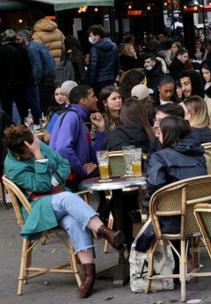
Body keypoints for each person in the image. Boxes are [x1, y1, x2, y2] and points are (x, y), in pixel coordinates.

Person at [3, 125, 124, 298]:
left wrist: (51, 179)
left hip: (61, 199)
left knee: (73, 218)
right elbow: (42, 186)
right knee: (67, 198)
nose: (33, 152)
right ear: (18, 154)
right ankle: (105, 231)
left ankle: (89, 274)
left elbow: (64, 164)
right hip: (38, 209)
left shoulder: (35, 142)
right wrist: (38, 157)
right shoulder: (13, 166)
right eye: (28, 153)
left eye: (34, 149)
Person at [133, 116, 207, 253]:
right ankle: (186, 260)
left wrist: (146, 203)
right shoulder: (200, 156)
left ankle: (175, 261)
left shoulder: (159, 157)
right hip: (200, 219)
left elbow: (155, 186)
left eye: (159, 132)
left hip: (172, 221)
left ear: (166, 134)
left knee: (151, 208)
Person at [49, 85, 107, 189]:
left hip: (72, 176)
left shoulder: (79, 120)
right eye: (93, 96)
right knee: (108, 176)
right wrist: (82, 170)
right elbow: (62, 148)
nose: (96, 99)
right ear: (83, 101)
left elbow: (93, 158)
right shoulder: (71, 116)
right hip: (67, 179)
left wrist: (101, 129)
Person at [17, 29, 57, 125]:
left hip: (46, 77)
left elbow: (37, 67)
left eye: (18, 39)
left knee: (43, 104)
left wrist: (36, 81)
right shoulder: (37, 45)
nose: (17, 42)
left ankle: (42, 125)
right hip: (51, 74)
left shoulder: (31, 49)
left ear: (24, 39)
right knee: (47, 103)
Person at [0, 29, 32, 120]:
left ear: (4, 39)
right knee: (23, 108)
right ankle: (24, 127)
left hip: (6, 85)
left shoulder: (2, 50)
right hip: (21, 84)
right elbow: (28, 67)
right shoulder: (22, 49)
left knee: (7, 109)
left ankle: (9, 130)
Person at [179, 70, 211, 134]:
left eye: (186, 84)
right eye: (181, 85)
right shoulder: (180, 106)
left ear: (195, 84)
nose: (183, 88)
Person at [86, 25, 119, 94]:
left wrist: (90, 82)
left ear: (97, 37)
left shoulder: (94, 49)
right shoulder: (114, 46)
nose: (90, 38)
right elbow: (117, 64)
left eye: (91, 36)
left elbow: (93, 67)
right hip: (110, 79)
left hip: (98, 81)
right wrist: (113, 76)